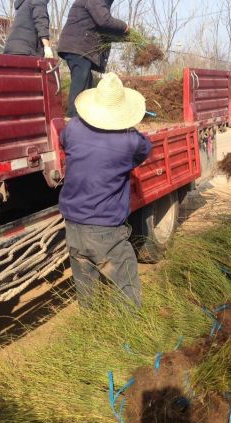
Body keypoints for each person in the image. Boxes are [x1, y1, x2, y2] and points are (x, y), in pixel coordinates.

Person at [58, 72, 151, 307]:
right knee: (127, 291)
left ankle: (92, 334)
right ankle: (129, 339)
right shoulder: (130, 142)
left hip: (73, 226)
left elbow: (63, 140)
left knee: (87, 297)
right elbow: (144, 149)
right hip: (105, 230)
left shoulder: (74, 128)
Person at [57, 0, 129, 118]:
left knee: (87, 84)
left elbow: (103, 28)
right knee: (81, 83)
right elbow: (104, 20)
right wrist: (125, 27)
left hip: (80, 47)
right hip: (78, 46)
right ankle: (73, 118)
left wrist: (124, 36)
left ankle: (84, 117)